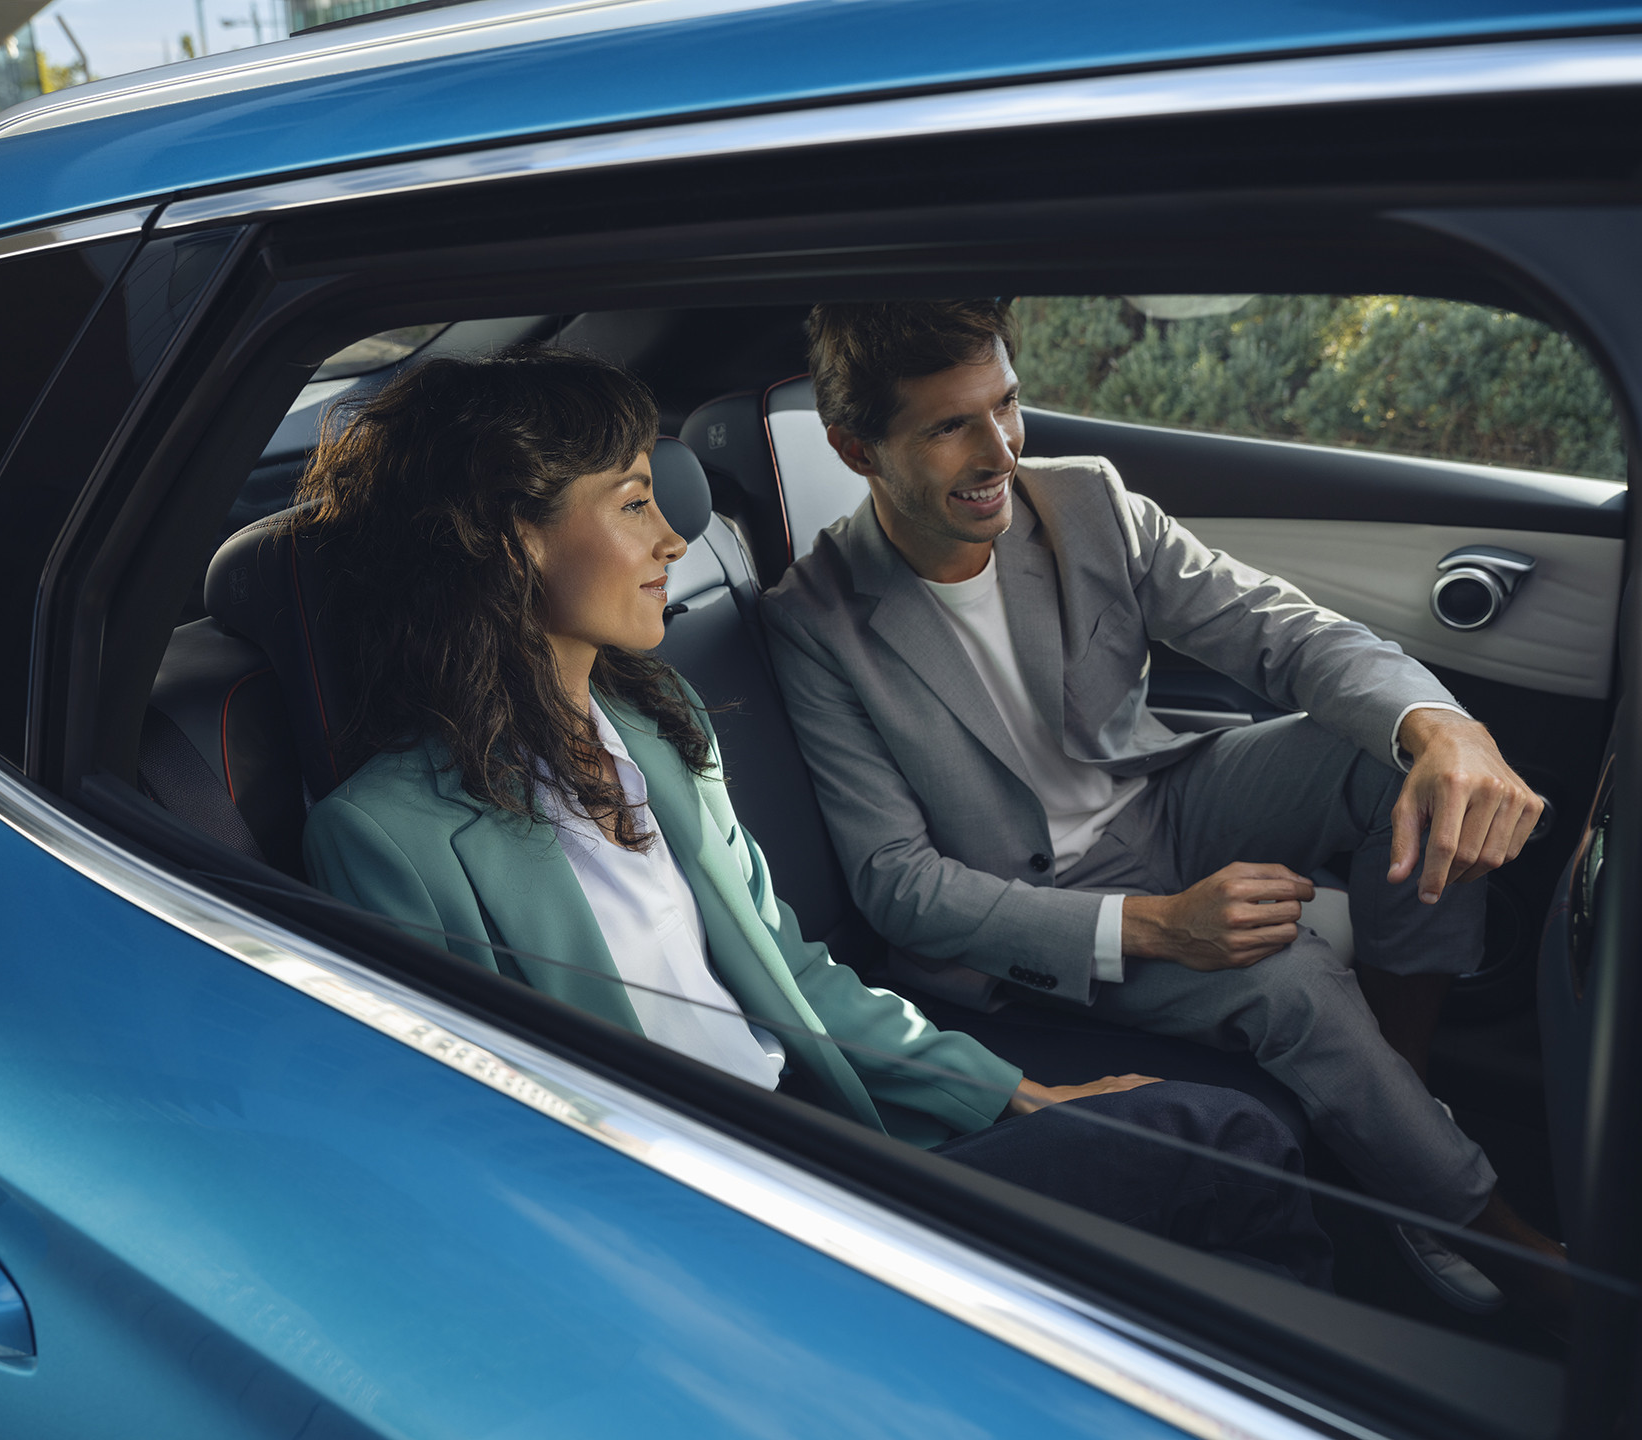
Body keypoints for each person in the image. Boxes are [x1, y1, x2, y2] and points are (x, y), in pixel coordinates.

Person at [296, 344, 1332, 1286]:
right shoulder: (388, 837)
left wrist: (1008, 1091)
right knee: (1225, 1140)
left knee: (1205, 1152)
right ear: (511, 538)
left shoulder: (653, 724)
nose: (672, 538)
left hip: (816, 1126)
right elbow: (484, 1143)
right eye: (631, 505)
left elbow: (787, 967)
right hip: (725, 1222)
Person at [759, 298, 1565, 1320]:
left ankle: (1394, 1119)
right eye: (949, 426)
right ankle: (1505, 1244)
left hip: (1162, 802)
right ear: (856, 447)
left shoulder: (1083, 502)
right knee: (1290, 976)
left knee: (1396, 761)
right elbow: (899, 887)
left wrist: (1438, 726)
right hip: (1036, 912)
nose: (999, 448)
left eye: (1006, 403)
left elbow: (1280, 630)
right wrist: (1160, 928)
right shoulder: (815, 621)